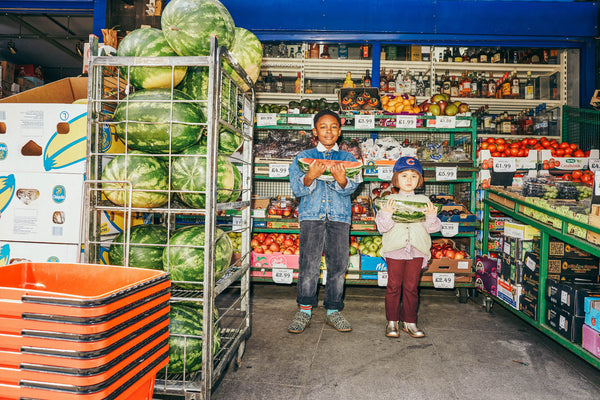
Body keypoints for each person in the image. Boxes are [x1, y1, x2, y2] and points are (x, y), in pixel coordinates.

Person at [287, 109, 362, 334]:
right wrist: (310, 175)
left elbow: (352, 187)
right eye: (323, 127)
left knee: (338, 266)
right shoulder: (302, 157)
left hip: (340, 218)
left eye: (333, 127)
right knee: (308, 264)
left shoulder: (348, 159)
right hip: (311, 217)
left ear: (339, 131)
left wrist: (342, 180)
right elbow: (297, 188)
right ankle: (304, 310)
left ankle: (333, 311)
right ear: (315, 131)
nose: (328, 131)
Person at [375, 156, 441, 338]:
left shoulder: (424, 200)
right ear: (396, 178)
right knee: (394, 286)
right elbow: (382, 228)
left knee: (412, 286)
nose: (409, 180)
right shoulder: (389, 200)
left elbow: (433, 229)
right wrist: (387, 214)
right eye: (404, 176)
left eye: (414, 176)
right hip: (394, 249)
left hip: (417, 249)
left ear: (420, 180)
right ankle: (392, 322)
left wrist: (431, 217)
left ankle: (410, 322)